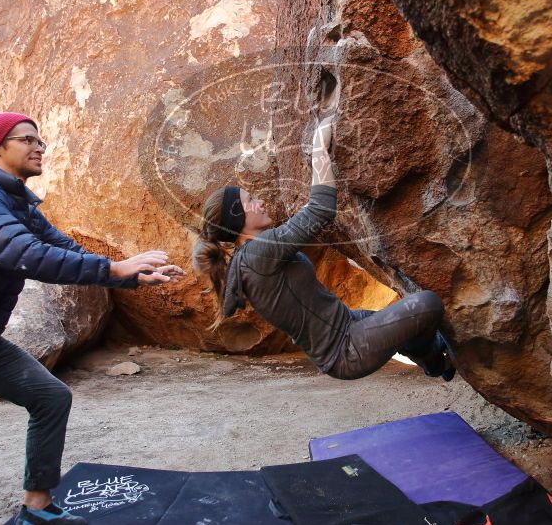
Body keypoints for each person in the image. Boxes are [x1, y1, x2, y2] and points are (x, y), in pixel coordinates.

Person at [0, 112, 184, 525]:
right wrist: (115, 270)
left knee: (50, 397)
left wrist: (135, 275)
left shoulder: (19, 205)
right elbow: (26, 255)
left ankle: (37, 509)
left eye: (41, 141)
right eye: (28, 140)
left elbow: (64, 249)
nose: (40, 147)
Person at [192, 116, 455, 382]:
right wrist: (320, 147)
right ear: (238, 218)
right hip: (346, 351)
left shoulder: (252, 256)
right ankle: (433, 355)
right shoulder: (258, 254)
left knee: (406, 321)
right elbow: (320, 210)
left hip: (350, 324)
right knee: (425, 304)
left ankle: (434, 360)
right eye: (250, 200)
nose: (259, 202)